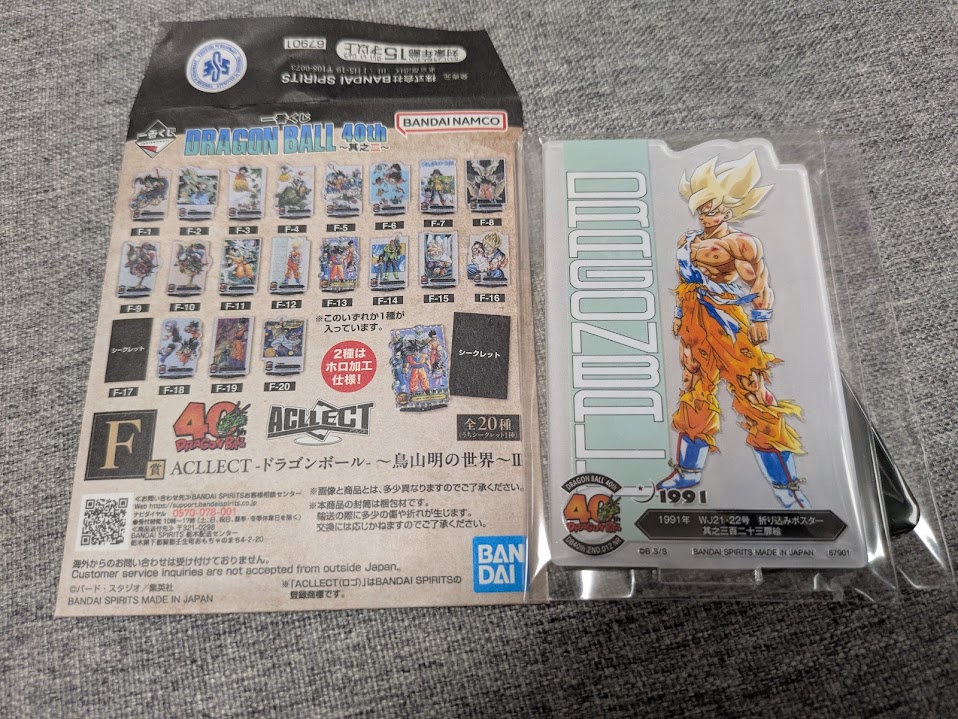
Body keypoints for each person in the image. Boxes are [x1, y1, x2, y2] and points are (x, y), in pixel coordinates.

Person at [658, 151, 808, 509]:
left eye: (712, 208)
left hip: (730, 323)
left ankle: (786, 486)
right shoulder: (687, 241)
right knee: (695, 391)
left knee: (754, 395)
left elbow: (760, 281)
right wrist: (679, 316)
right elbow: (684, 283)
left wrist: (760, 319)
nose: (705, 214)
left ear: (726, 210)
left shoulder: (740, 243)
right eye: (701, 208)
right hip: (696, 322)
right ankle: (687, 472)